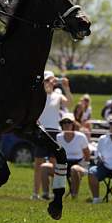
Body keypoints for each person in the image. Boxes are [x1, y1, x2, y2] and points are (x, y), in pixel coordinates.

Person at [32, 71, 72, 199]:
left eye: (52, 80)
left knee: (54, 165)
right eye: (48, 80)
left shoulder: (58, 96)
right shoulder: (38, 95)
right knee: (38, 164)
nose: (51, 83)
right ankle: (35, 193)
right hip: (41, 131)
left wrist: (66, 88)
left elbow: (70, 103)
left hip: (55, 132)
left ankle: (53, 193)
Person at [40, 113, 89, 199]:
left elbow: (87, 154)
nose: (66, 125)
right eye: (64, 122)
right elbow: (55, 155)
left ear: (73, 124)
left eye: (69, 122)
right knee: (44, 167)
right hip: (62, 164)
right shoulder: (58, 137)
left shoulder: (81, 137)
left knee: (74, 169)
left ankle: (74, 196)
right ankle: (45, 194)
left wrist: (83, 166)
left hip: (78, 164)